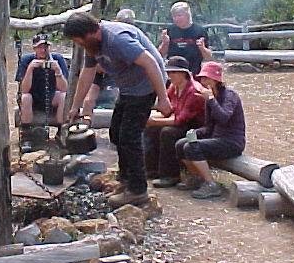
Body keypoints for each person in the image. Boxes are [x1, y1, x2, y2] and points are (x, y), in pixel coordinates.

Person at [65, 12, 171, 209]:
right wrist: (75, 106)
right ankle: (126, 181)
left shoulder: (117, 39)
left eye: (79, 40)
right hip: (128, 88)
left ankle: (138, 191)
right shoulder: (92, 44)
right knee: (116, 132)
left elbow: (151, 63)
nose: (78, 44)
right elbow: (87, 74)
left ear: (91, 32)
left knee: (130, 136)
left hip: (145, 87)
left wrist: (163, 98)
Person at [175, 61, 246, 199]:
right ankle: (197, 178)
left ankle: (211, 184)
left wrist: (211, 100)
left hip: (231, 142)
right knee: (180, 144)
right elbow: (209, 127)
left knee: (191, 147)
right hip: (216, 138)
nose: (203, 81)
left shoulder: (229, 95)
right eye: (202, 78)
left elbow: (223, 118)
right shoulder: (210, 97)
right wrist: (195, 133)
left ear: (216, 80)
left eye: (206, 78)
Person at [143, 56, 205, 187]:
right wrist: (151, 118)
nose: (170, 76)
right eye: (169, 73)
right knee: (151, 129)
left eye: (173, 72)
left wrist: (154, 121)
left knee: (168, 133)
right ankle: (152, 169)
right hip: (180, 121)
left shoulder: (194, 92)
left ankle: (170, 175)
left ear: (184, 73)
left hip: (194, 127)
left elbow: (180, 120)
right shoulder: (174, 87)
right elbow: (169, 110)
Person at [15, 33, 69, 149]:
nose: (43, 50)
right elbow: (23, 89)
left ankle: (61, 131)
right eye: (40, 47)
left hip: (52, 96)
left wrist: (57, 71)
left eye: (46, 47)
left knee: (64, 96)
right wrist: (30, 69)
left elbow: (64, 88)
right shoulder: (26, 59)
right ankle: (26, 136)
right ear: (34, 48)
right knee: (25, 97)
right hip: (33, 98)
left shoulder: (58, 58)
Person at [82, 9, 134, 118]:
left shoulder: (132, 37)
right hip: (100, 76)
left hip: (120, 77)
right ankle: (85, 127)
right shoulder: (107, 35)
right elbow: (93, 66)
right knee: (88, 101)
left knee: (116, 97)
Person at [158, 1, 212, 75]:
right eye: (174, 16)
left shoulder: (200, 31)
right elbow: (159, 55)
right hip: (173, 74)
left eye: (179, 15)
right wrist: (165, 43)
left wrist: (202, 48)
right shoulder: (169, 31)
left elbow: (208, 57)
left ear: (188, 15)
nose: (176, 18)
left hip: (193, 73)